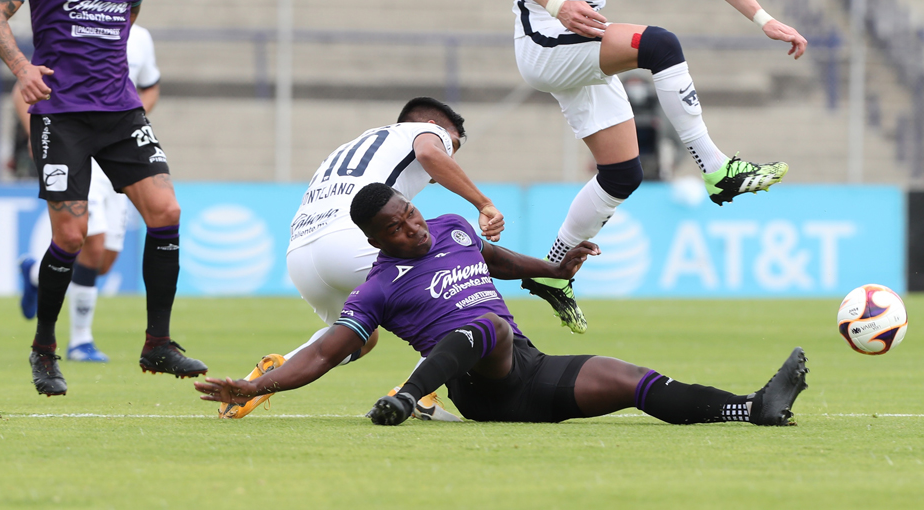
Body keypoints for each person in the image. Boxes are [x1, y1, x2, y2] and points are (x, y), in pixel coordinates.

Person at [493, 0, 808, 334]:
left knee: (622, 176)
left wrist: (763, 19)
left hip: (583, 43)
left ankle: (552, 273)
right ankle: (716, 168)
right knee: (659, 44)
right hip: (544, 37)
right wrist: (558, 5)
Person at [195, 183, 809, 428]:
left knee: (634, 380)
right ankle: (411, 397)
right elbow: (329, 351)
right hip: (479, 385)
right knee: (487, 326)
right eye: (398, 227)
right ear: (377, 240)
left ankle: (752, 409)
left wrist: (555, 269)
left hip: (529, 371)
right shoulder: (377, 287)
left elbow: (499, 262)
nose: (414, 227)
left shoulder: (452, 225)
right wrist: (258, 386)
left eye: (410, 212)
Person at [0, 0, 205, 397]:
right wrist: (23, 68)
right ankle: (45, 349)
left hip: (121, 111)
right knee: (73, 236)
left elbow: (128, 15)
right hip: (62, 115)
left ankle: (158, 343)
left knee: (167, 212)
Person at [217, 97, 505, 421]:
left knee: (359, 338)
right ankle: (422, 393)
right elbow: (428, 153)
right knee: (459, 290)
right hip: (350, 240)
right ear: (434, 127)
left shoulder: (358, 143)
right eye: (452, 146)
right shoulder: (425, 133)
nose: (447, 158)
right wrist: (483, 203)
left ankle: (274, 371)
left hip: (300, 252)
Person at [16, 23, 163, 363]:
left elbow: (151, 86)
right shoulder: (73, 29)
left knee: (104, 259)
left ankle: (36, 273)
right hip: (77, 148)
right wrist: (37, 136)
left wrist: (128, 120)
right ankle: (80, 341)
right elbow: (22, 88)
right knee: (90, 245)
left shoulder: (140, 38)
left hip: (119, 150)